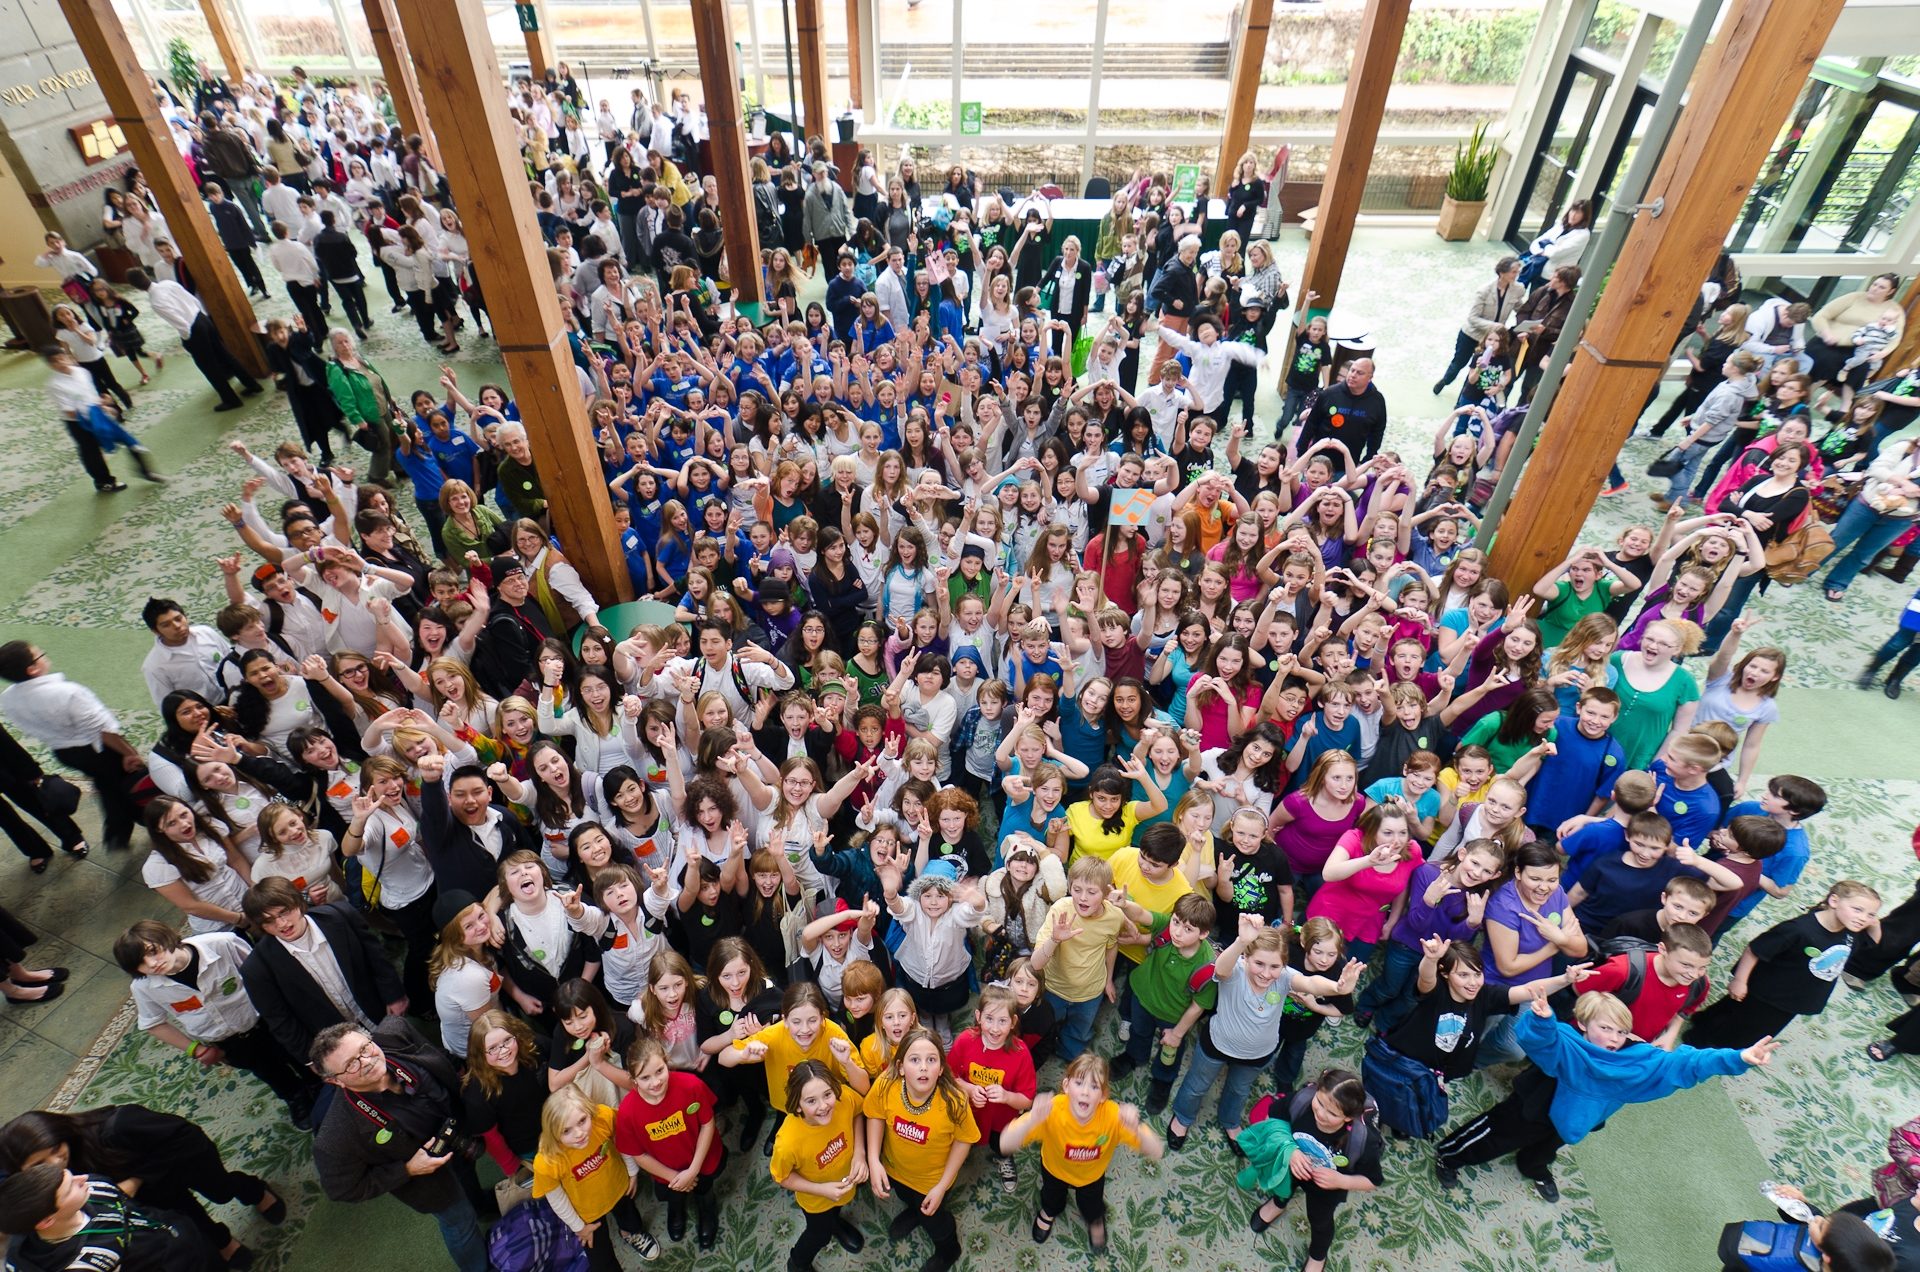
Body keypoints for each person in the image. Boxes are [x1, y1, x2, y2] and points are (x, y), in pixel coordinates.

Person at [0, 1106, 285, 1269]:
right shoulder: (47, 1184)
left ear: (59, 1132)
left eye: (55, 1149)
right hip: (148, 1197)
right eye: (39, 1164)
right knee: (185, 1215)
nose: (56, 1164)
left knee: (221, 1191)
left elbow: (184, 1137)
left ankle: (255, 1191)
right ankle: (224, 1242)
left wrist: (133, 1182)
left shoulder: (117, 1126)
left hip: (179, 1161)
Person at [309, 1018, 489, 1272]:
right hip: (430, 1179)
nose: (367, 1061)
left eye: (364, 1048)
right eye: (351, 1064)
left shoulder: (396, 1032)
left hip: (456, 1137)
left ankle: (480, 1204)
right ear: (335, 1081)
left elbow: (436, 1057)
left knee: (469, 1182)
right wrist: (407, 1170)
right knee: (461, 1224)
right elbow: (344, 1189)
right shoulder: (335, 1138)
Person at [115, 919, 318, 1127]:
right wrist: (196, 1049)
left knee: (299, 1056)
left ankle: (316, 1084)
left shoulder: (223, 944)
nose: (151, 964)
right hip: (229, 1042)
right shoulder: (143, 987)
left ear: (165, 938)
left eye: (152, 951)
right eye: (140, 963)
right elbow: (153, 1023)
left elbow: (264, 973)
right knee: (270, 1072)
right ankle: (295, 1096)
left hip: (267, 1021)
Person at [997, 1053, 1165, 1253]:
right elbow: (1005, 1143)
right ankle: (1049, 1212)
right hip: (1054, 1170)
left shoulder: (1112, 1116)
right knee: (1051, 1199)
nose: (1085, 1092)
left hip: (1091, 1177)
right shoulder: (1052, 1111)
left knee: (1092, 1207)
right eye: (1079, 1083)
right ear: (1066, 1086)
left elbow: (1157, 1150)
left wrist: (1135, 1128)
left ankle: (1095, 1222)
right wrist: (1033, 1119)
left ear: (1103, 1096)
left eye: (1094, 1087)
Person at [239, 878, 409, 1067]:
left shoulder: (341, 915)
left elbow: (376, 958)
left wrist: (395, 996)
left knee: (414, 1062)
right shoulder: (257, 969)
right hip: (340, 1049)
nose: (281, 924)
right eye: (268, 921)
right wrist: (312, 1061)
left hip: (381, 1014)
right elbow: (282, 1022)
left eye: (284, 912)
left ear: (298, 902)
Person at [0, 641, 149, 852]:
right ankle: (136, 823)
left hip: (64, 751)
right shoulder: (68, 692)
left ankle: (118, 832)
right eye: (39, 654)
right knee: (129, 782)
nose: (43, 654)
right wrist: (128, 752)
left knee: (108, 784)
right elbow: (102, 729)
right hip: (96, 749)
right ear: (32, 669)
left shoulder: (8, 699)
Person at [862, 1027, 978, 1272]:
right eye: (915, 1060)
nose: (923, 1067)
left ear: (942, 1068)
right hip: (896, 1170)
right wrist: (873, 1160)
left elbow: (964, 1140)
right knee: (907, 1198)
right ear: (902, 1067)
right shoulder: (885, 1084)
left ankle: (949, 1250)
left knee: (934, 1219)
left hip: (932, 1181)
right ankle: (914, 1212)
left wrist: (942, 1186)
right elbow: (874, 1115)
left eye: (931, 1060)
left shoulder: (954, 1100)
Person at [531, 1086, 660, 1267]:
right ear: (553, 1132)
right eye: (566, 1131)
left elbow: (622, 1141)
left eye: (582, 1121)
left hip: (618, 1185)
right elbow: (557, 1198)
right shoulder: (548, 1160)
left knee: (629, 1216)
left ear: (590, 1110)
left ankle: (632, 1232)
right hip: (586, 1212)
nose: (579, 1133)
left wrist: (632, 1173)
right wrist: (579, 1227)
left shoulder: (603, 1117)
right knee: (600, 1257)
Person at [0, 1163, 213, 1272]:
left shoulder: (94, 1186)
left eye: (69, 1174)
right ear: (46, 1221)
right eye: (69, 1188)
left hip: (175, 1231)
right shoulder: (82, 1264)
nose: (82, 1178)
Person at [770, 1059, 869, 1272]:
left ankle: (835, 1224)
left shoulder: (843, 1098)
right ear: (797, 1104)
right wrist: (821, 1190)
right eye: (811, 1101)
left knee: (836, 1209)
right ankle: (797, 1262)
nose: (823, 1106)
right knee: (819, 1234)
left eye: (827, 1094)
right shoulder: (787, 1142)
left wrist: (860, 1153)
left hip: (843, 1183)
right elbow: (781, 1177)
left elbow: (857, 1112)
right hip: (816, 1199)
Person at [126, 266, 263, 410]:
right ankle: (252, 384)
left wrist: (186, 339)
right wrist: (201, 317)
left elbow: (179, 322)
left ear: (136, 287)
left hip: (193, 329)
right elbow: (193, 300)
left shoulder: (155, 301)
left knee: (208, 366)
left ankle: (231, 399)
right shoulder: (168, 284)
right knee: (224, 354)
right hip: (201, 318)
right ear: (146, 275)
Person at [1435, 256, 1524, 397]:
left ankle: (1462, 399)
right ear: (1502, 272)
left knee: (1477, 369)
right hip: (1472, 335)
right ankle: (1445, 381)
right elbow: (1473, 318)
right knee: (1459, 363)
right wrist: (1495, 326)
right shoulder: (1484, 291)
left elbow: (1520, 308)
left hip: (1492, 340)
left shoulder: (1518, 289)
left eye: (1517, 271)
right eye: (1513, 272)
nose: (1516, 275)